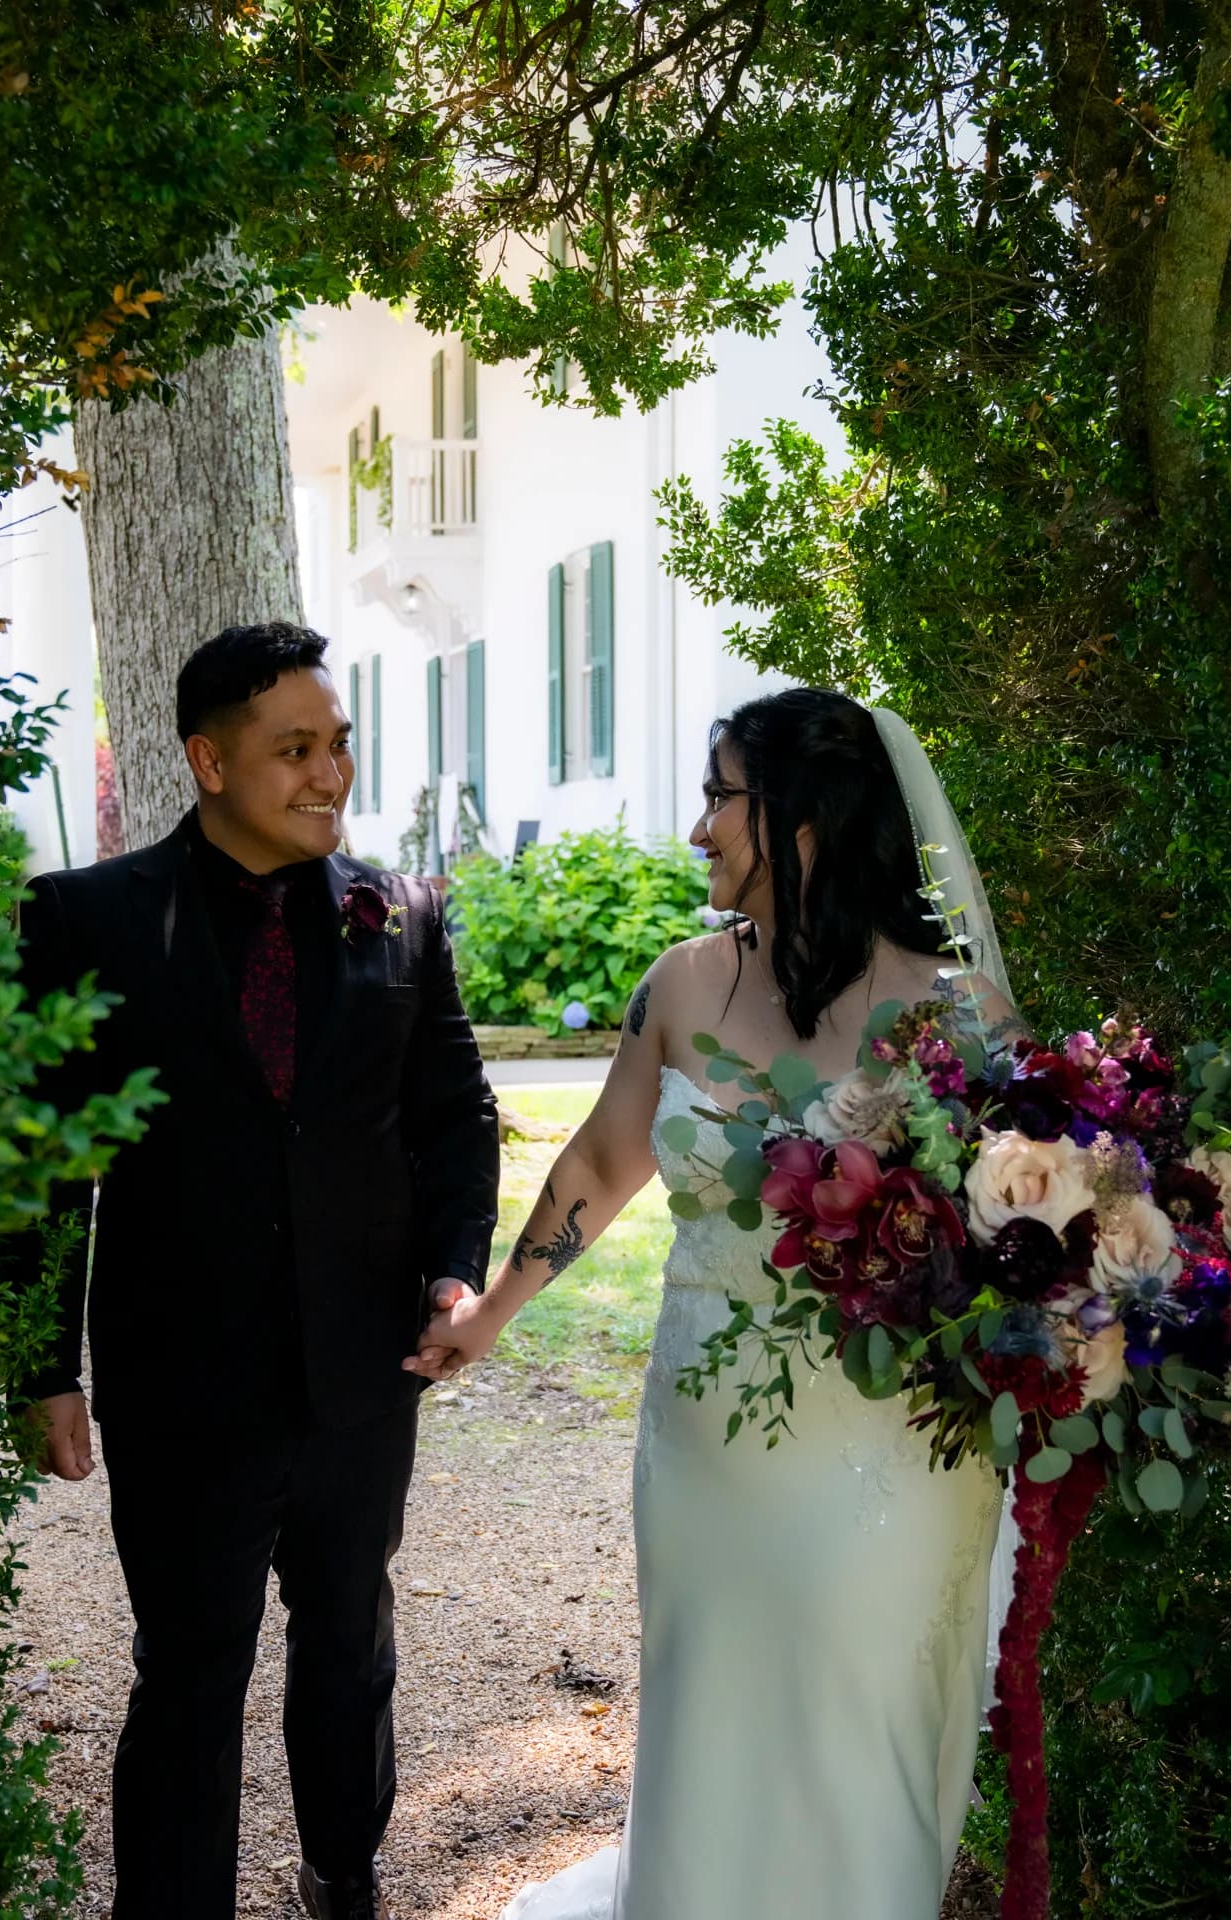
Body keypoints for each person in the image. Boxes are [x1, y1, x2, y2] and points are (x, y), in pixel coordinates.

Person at [408, 688, 1024, 1920]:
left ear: (802, 819)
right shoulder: (683, 986)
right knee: (716, 1708)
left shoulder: (960, 1017)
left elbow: (1026, 1229)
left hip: (897, 1442)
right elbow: (598, 1163)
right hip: (712, 1436)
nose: (697, 830)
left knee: (867, 1716)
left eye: (718, 798)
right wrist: (491, 1315)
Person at [12, 623, 498, 1920]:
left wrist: (455, 1272)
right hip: (181, 1382)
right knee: (186, 1672)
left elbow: (454, 1116)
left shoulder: (401, 913)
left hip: (363, 1372)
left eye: (338, 744)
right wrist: (43, 1367)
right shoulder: (84, 920)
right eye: (294, 750)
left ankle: (343, 1874)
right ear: (209, 760)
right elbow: (45, 1160)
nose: (329, 773)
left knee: (349, 1645)